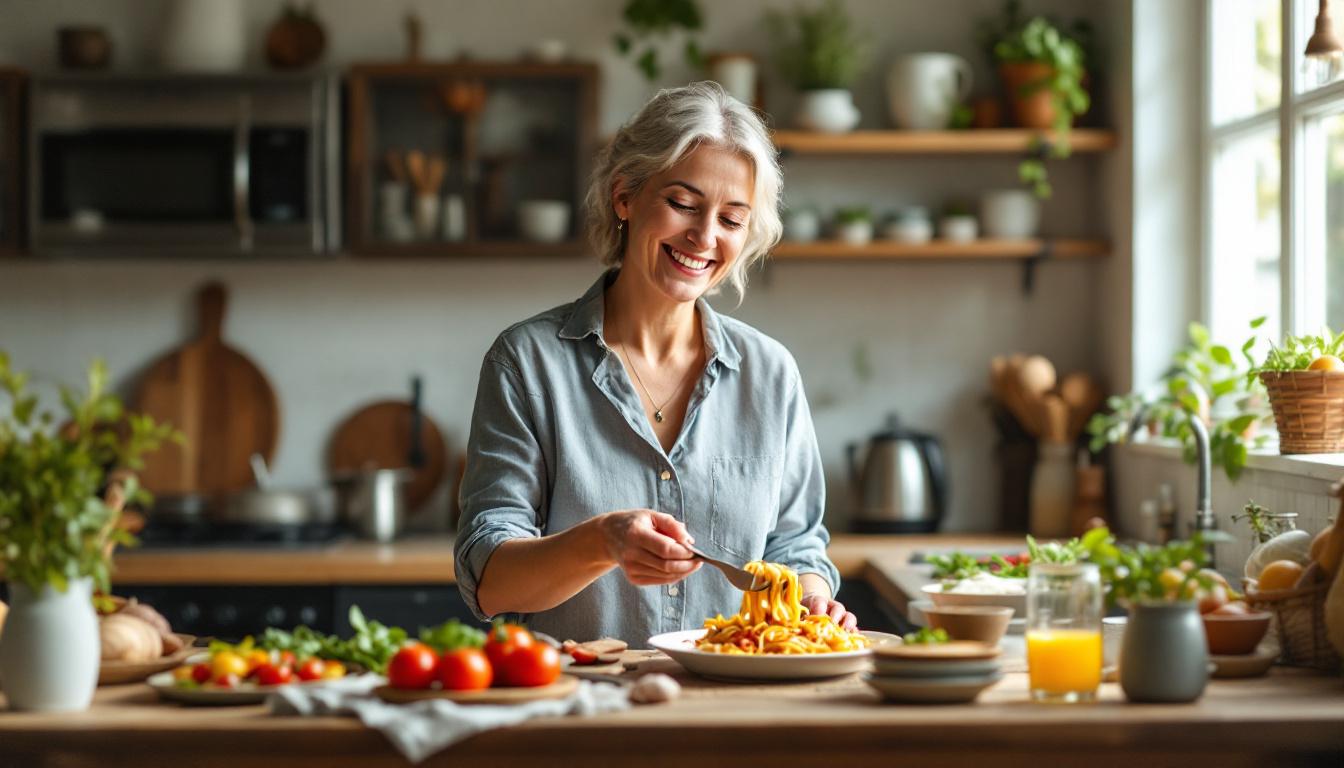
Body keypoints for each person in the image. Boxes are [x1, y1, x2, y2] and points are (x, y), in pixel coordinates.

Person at [454, 81, 858, 644]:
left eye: (732, 219)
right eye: (683, 204)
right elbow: (491, 578)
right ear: (625, 196)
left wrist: (813, 600)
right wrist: (603, 541)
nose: (704, 236)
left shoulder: (770, 373)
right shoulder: (526, 363)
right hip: (585, 708)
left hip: (735, 706)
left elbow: (795, 545)